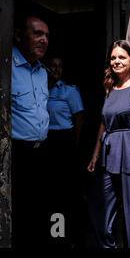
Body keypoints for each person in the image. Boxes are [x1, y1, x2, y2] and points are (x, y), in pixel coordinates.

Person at [87, 40, 130, 248]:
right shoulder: (110, 87)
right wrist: (94, 155)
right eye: (113, 58)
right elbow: (103, 124)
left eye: (121, 57)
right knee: (100, 210)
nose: (116, 61)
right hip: (109, 155)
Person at [11, 15, 50, 247]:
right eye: (37, 33)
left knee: (39, 209)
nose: (44, 40)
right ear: (19, 35)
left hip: (42, 151)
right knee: (17, 212)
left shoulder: (42, 72)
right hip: (16, 154)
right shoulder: (5, 66)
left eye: (46, 35)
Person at [44, 56, 85, 247]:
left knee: (65, 192)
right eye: (52, 65)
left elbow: (79, 120)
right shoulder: (40, 88)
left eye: (60, 66)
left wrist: (74, 145)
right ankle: (53, 234)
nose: (56, 69)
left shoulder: (69, 91)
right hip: (44, 142)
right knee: (49, 191)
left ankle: (66, 236)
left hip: (65, 142)